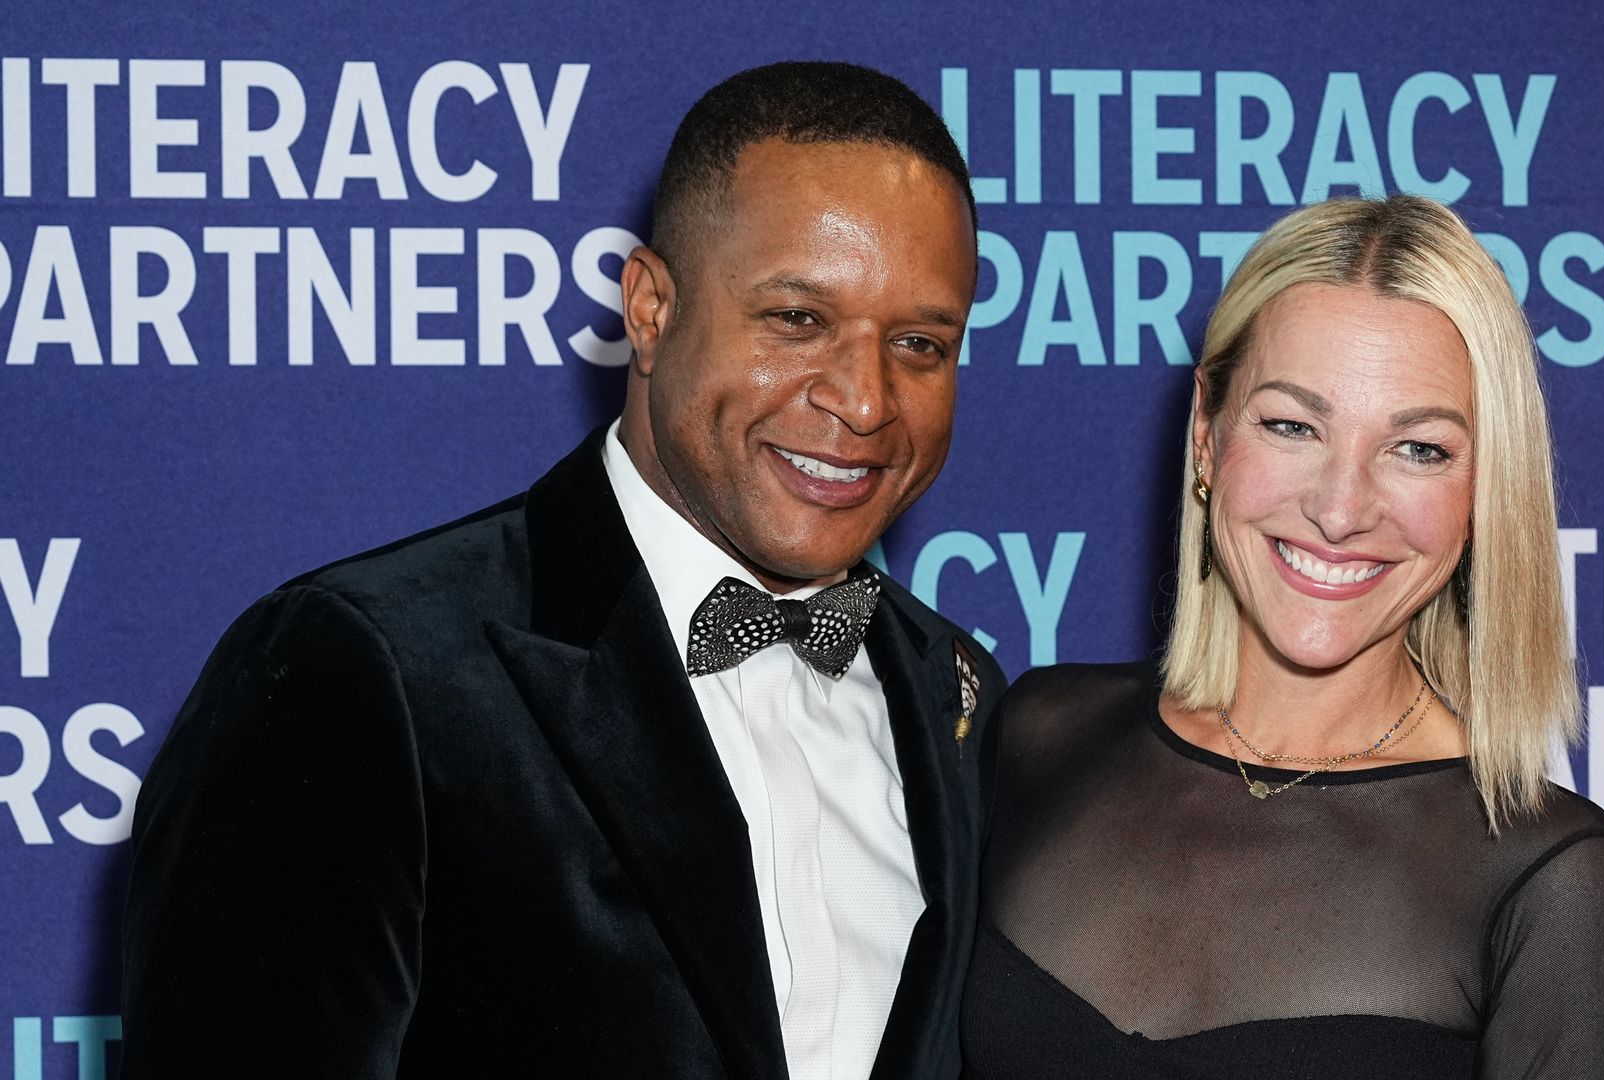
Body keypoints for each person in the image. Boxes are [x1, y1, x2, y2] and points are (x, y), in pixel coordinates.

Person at [122, 61, 1005, 1080]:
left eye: (921, 343)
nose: (864, 399)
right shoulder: (364, 672)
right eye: (797, 319)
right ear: (649, 307)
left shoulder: (956, 693)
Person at [960, 195, 1604, 1078]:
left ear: (1486, 492)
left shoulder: (1544, 874)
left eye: (1419, 449)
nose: (1339, 508)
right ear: (1208, 437)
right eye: (1292, 426)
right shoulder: (1043, 733)